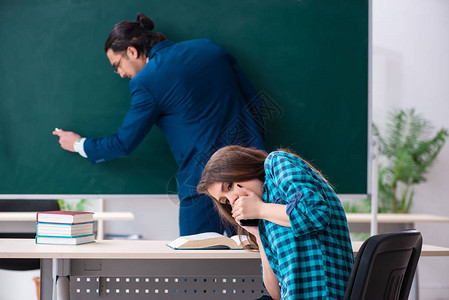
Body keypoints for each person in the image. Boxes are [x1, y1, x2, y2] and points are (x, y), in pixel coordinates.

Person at [52, 14, 266, 236]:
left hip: (202, 184)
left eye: (118, 65)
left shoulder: (146, 82)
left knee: (199, 266)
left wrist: (79, 144)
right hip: (252, 172)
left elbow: (124, 143)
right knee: (260, 255)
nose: (121, 73)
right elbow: (254, 104)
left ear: (132, 52)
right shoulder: (210, 48)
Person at [197, 145, 353, 300]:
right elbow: (277, 294)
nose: (233, 200)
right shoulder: (268, 217)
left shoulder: (276, 162)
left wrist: (260, 209)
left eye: (230, 186)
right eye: (225, 201)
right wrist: (258, 232)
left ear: (241, 167)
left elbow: (315, 212)